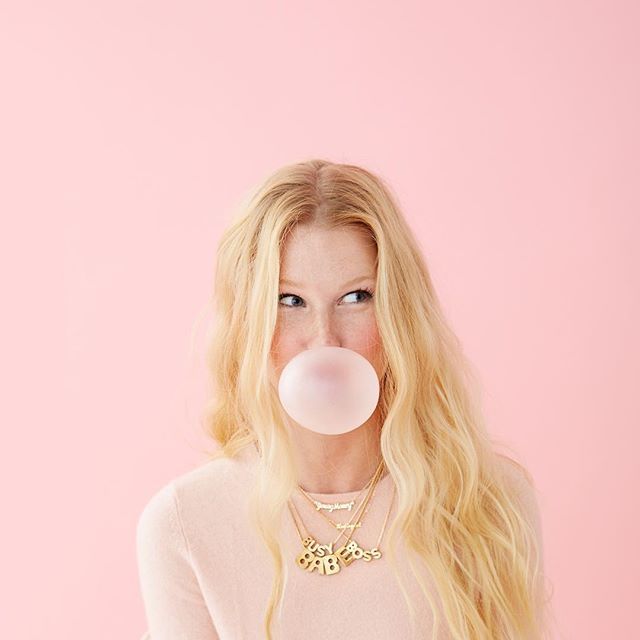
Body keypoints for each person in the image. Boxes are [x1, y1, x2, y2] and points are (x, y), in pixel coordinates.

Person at [136, 159, 553, 639]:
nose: (325, 339)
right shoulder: (185, 524)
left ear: (399, 311)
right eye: (289, 301)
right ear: (248, 322)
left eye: (356, 297)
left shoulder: (487, 503)